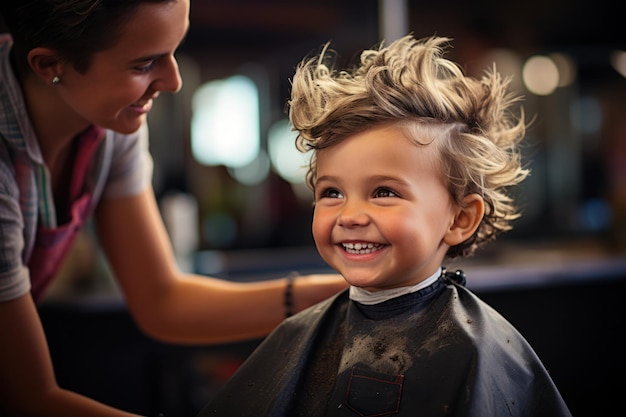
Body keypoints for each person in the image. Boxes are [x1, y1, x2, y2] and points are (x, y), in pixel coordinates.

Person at [0, 1, 347, 416]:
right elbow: (29, 396)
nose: (173, 81)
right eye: (143, 64)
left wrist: (341, 295)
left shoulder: (109, 123)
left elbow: (162, 300)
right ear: (49, 64)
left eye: (174, 50)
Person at [197, 35, 573, 417]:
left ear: (460, 220)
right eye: (331, 193)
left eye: (383, 192)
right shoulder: (299, 334)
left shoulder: (476, 350)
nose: (350, 215)